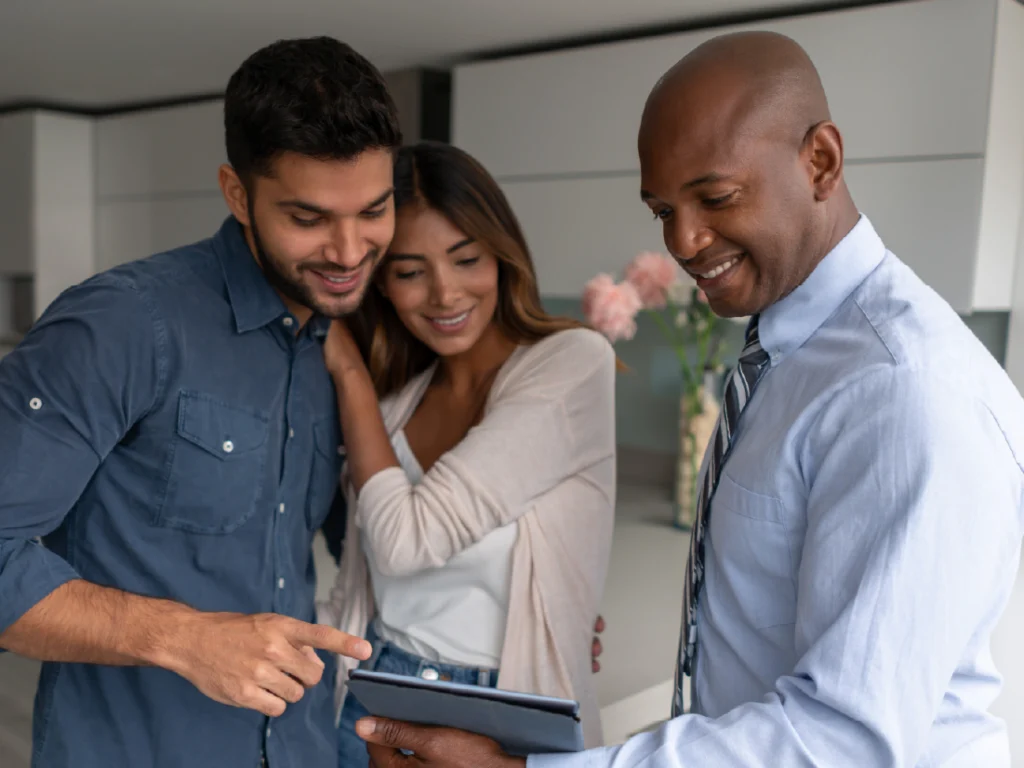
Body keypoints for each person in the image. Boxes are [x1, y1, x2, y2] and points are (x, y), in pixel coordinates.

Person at [347, 31, 1024, 768]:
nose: (685, 239)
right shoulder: (790, 352)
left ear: (821, 161)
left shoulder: (904, 393)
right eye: (661, 210)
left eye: (715, 197)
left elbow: (841, 740)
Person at [0, 36, 400, 768]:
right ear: (237, 193)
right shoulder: (123, 323)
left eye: (373, 210)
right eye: (309, 218)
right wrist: (185, 637)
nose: (348, 251)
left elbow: (367, 549)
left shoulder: (339, 342)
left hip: (301, 750)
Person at [316, 140, 616, 766]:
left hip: (498, 714)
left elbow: (406, 540)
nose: (445, 294)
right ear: (382, 283)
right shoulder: (397, 399)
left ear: (502, 256)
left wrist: (347, 370)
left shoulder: (571, 364)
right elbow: (362, 569)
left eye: (466, 258)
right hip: (367, 697)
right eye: (409, 271)